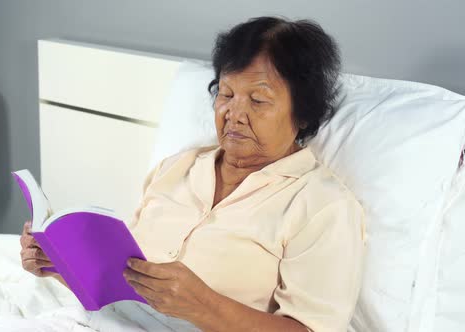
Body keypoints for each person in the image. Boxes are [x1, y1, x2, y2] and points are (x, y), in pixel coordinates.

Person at [20, 16, 366, 332]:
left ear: (303, 114)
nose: (234, 113)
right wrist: (59, 262)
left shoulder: (323, 206)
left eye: (258, 101)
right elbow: (118, 285)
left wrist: (205, 307)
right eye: (226, 94)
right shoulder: (176, 169)